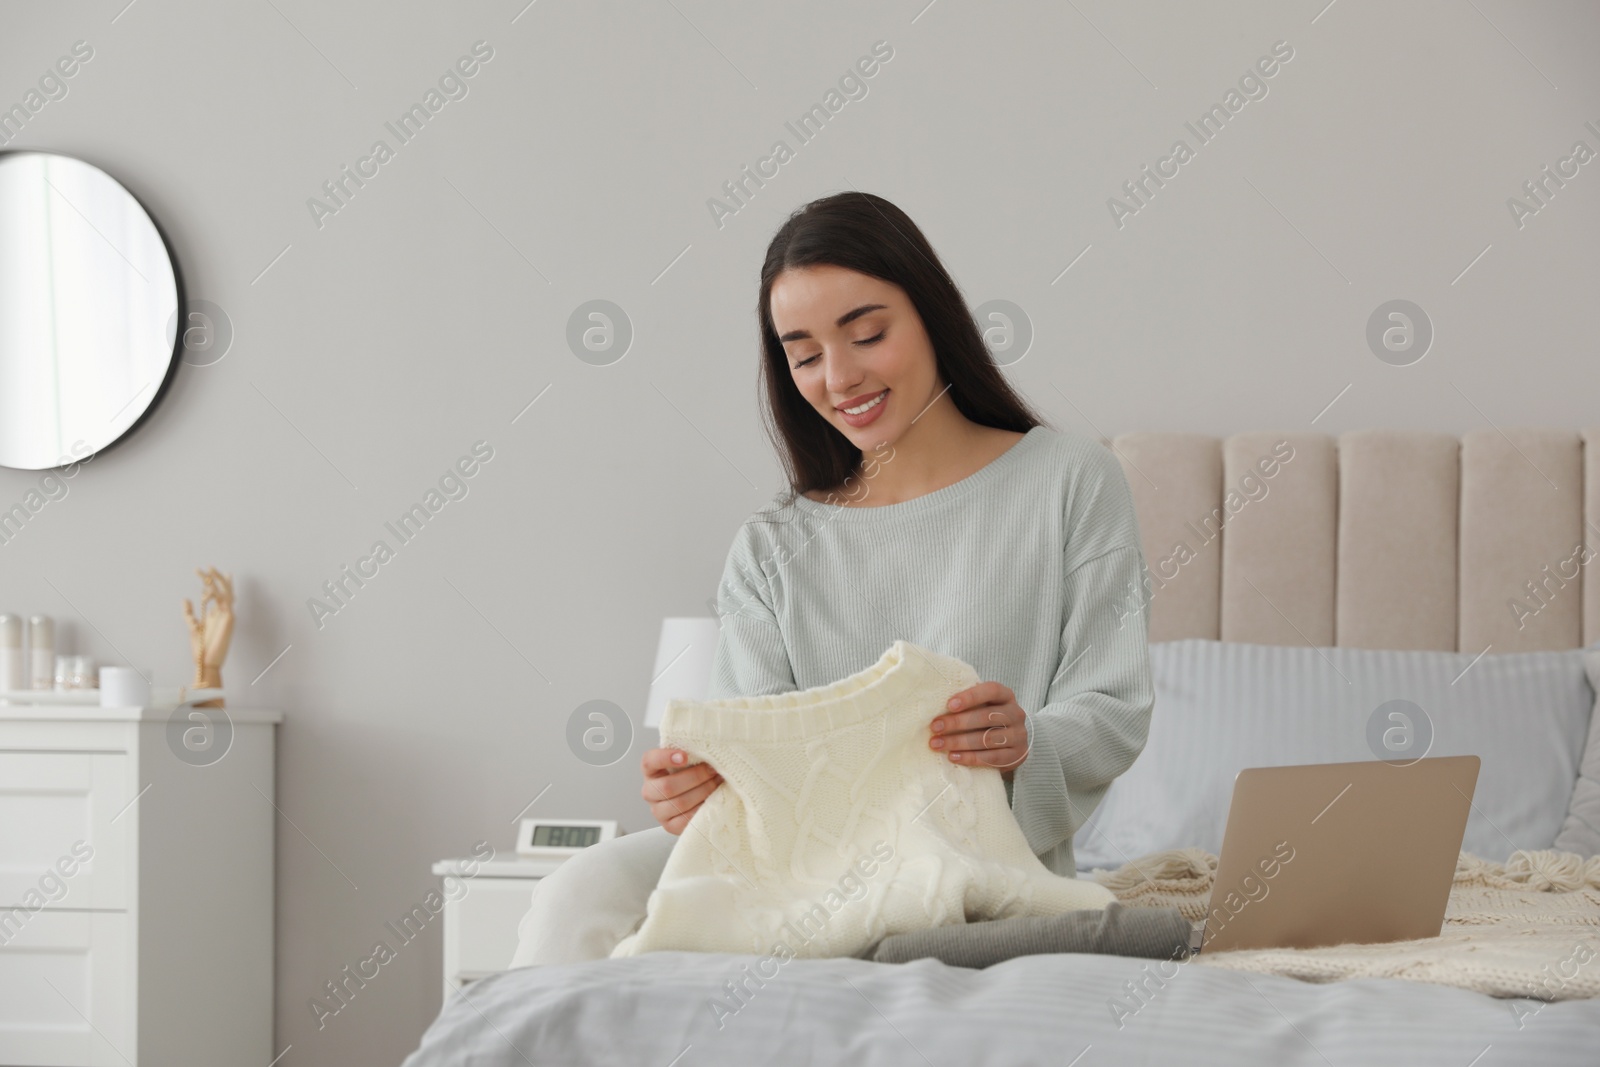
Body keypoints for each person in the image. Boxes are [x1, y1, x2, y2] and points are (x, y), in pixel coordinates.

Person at [510, 191, 1154, 967]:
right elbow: (756, 762)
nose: (840, 376)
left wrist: (1027, 744)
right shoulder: (771, 546)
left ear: (931, 315)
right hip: (796, 871)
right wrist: (700, 792)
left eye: (868, 334)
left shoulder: (1070, 481)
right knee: (574, 893)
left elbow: (1112, 708)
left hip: (976, 862)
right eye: (805, 354)